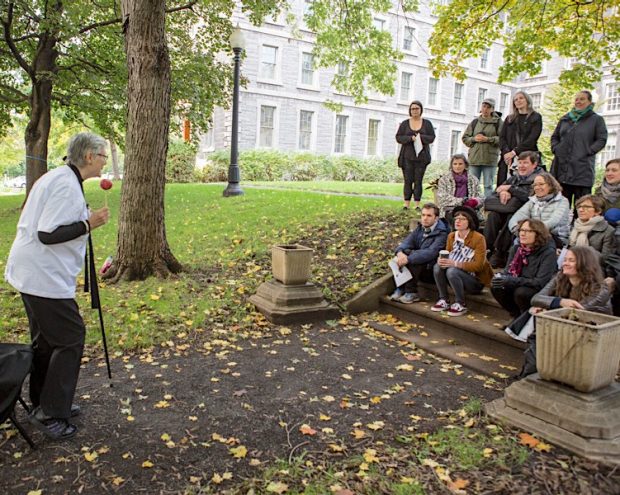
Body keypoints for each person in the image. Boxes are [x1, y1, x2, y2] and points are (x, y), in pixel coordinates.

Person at [4, 133, 110, 439]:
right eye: (103, 156)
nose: (104, 161)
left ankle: (43, 402)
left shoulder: (61, 178)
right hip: (42, 276)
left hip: (32, 272)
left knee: (47, 341)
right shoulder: (65, 184)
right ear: (90, 156)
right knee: (70, 337)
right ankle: (50, 412)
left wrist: (84, 221)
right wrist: (90, 224)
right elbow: (47, 234)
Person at [507, 246, 611, 351]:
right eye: (565, 259)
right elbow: (536, 298)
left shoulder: (601, 289)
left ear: (585, 264)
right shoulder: (560, 277)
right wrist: (559, 302)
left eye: (571, 260)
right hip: (567, 329)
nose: (565, 263)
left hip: (594, 335)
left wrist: (547, 310)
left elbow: (577, 312)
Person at [483, 151, 543, 268]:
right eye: (519, 162)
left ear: (534, 164)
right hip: (506, 209)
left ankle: (500, 253)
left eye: (525, 163)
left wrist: (511, 189)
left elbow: (530, 197)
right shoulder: (514, 178)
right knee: (493, 215)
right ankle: (486, 249)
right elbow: (496, 192)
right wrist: (503, 192)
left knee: (512, 218)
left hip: (527, 213)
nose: (521, 166)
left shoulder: (539, 179)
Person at [431, 206, 494, 317]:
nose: (458, 221)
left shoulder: (478, 238)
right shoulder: (451, 236)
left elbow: (478, 266)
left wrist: (455, 264)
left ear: (469, 222)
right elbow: (448, 254)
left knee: (452, 271)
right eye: (456, 218)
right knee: (437, 267)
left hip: (474, 280)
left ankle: (460, 303)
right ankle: (444, 299)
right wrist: (441, 260)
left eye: (462, 219)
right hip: (455, 275)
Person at [550, 90, 608, 207]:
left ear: (590, 102)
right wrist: (556, 149)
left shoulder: (596, 120)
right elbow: (555, 137)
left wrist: (588, 151)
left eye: (582, 99)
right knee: (560, 206)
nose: (578, 101)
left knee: (581, 207)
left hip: (582, 170)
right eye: (576, 99)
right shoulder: (565, 119)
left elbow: (601, 139)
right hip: (561, 169)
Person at [491, 219, 557, 318]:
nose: (523, 234)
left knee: (521, 292)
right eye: (521, 230)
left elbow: (540, 282)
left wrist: (511, 280)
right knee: (497, 286)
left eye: (528, 231)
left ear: (538, 234)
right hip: (520, 283)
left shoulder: (548, 252)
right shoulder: (517, 248)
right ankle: (515, 316)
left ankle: (525, 318)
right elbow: (508, 271)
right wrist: (500, 277)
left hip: (536, 289)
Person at [390, 203, 449, 303]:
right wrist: (400, 253)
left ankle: (411, 292)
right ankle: (401, 288)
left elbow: (431, 253)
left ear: (436, 218)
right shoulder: (420, 228)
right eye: (423, 215)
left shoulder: (442, 233)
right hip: (419, 266)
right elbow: (406, 243)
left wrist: (408, 258)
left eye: (429, 215)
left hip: (432, 271)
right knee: (404, 253)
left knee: (415, 259)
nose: (425, 218)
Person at [508, 172, 570, 248]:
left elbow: (553, 221)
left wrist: (530, 231)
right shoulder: (532, 201)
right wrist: (519, 230)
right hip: (532, 234)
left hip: (555, 237)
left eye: (541, 184)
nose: (537, 187)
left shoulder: (563, 201)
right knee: (517, 241)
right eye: (535, 185)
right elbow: (516, 218)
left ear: (550, 185)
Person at [396, 100, 436, 212]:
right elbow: (399, 137)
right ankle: (406, 204)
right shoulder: (404, 124)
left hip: (421, 157)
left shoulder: (427, 123)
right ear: (410, 110)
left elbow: (432, 137)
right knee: (408, 180)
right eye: (412, 109)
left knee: (418, 180)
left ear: (421, 110)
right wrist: (410, 138)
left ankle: (417, 204)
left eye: (417, 109)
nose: (414, 111)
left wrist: (420, 137)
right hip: (407, 157)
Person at [498, 90, 543, 185]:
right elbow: (502, 137)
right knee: (503, 187)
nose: (518, 101)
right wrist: (506, 153)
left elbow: (532, 138)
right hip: (507, 160)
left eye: (521, 98)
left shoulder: (535, 117)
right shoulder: (510, 119)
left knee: (524, 187)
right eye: (515, 100)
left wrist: (514, 152)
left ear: (527, 100)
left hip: (526, 157)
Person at [462, 98, 503, 197]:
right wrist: (474, 139)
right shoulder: (475, 122)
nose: (485, 109)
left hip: (490, 160)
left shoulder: (498, 123)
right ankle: (472, 206)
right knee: (472, 185)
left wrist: (488, 139)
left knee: (488, 186)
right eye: (484, 106)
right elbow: (465, 138)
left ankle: (487, 208)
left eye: (488, 107)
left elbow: (503, 139)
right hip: (474, 159)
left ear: (492, 109)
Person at [434, 153, 483, 224]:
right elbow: (442, 197)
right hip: (449, 209)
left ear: (465, 165)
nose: (457, 166)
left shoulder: (473, 179)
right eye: (455, 164)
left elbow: (481, 197)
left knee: (469, 218)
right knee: (456, 220)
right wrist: (462, 201)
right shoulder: (444, 179)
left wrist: (475, 201)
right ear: (451, 165)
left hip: (469, 209)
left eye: (460, 164)